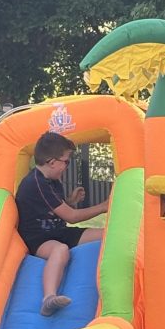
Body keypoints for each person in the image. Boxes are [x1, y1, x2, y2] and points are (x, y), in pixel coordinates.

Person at [16, 132, 109, 316]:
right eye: (65, 161)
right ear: (52, 162)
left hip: (59, 230)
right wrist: (104, 206)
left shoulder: (52, 181)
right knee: (60, 250)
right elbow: (72, 217)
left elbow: (54, 207)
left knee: (106, 234)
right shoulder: (35, 183)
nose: (66, 166)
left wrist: (70, 200)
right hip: (38, 238)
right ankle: (49, 298)